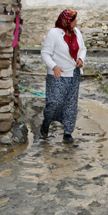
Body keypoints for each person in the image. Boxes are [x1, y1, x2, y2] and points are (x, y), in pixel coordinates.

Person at [39, 9, 86, 143]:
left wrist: (81, 59)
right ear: (66, 21)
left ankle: (67, 132)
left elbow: (82, 48)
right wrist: (53, 66)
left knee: (71, 104)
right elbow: (45, 53)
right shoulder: (53, 34)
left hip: (74, 74)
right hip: (57, 74)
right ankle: (46, 122)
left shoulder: (76, 33)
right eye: (74, 19)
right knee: (55, 102)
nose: (76, 22)